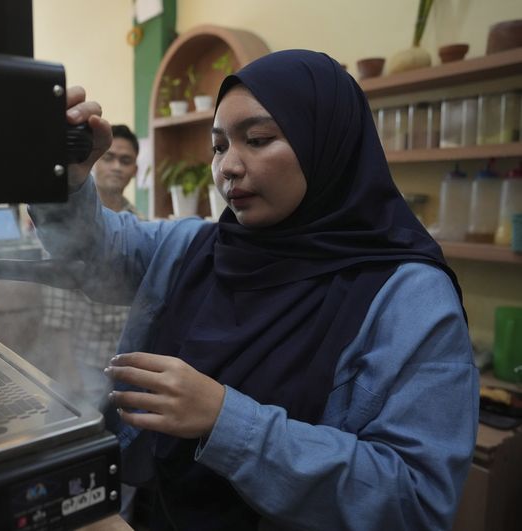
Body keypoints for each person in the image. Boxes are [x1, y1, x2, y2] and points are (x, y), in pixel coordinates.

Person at [29, 50, 478, 531]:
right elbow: (96, 251)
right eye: (219, 146)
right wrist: (68, 180)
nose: (228, 168)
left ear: (326, 142)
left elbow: (416, 502)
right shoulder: (200, 246)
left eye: (259, 139)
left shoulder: (409, 298)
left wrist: (227, 421)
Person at [38, 124, 144, 409]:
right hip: (83, 365)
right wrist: (67, 374)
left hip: (127, 365)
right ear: (96, 162)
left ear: (135, 169)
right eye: (109, 158)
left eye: (126, 160)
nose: (116, 167)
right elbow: (57, 312)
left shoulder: (142, 225)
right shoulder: (71, 224)